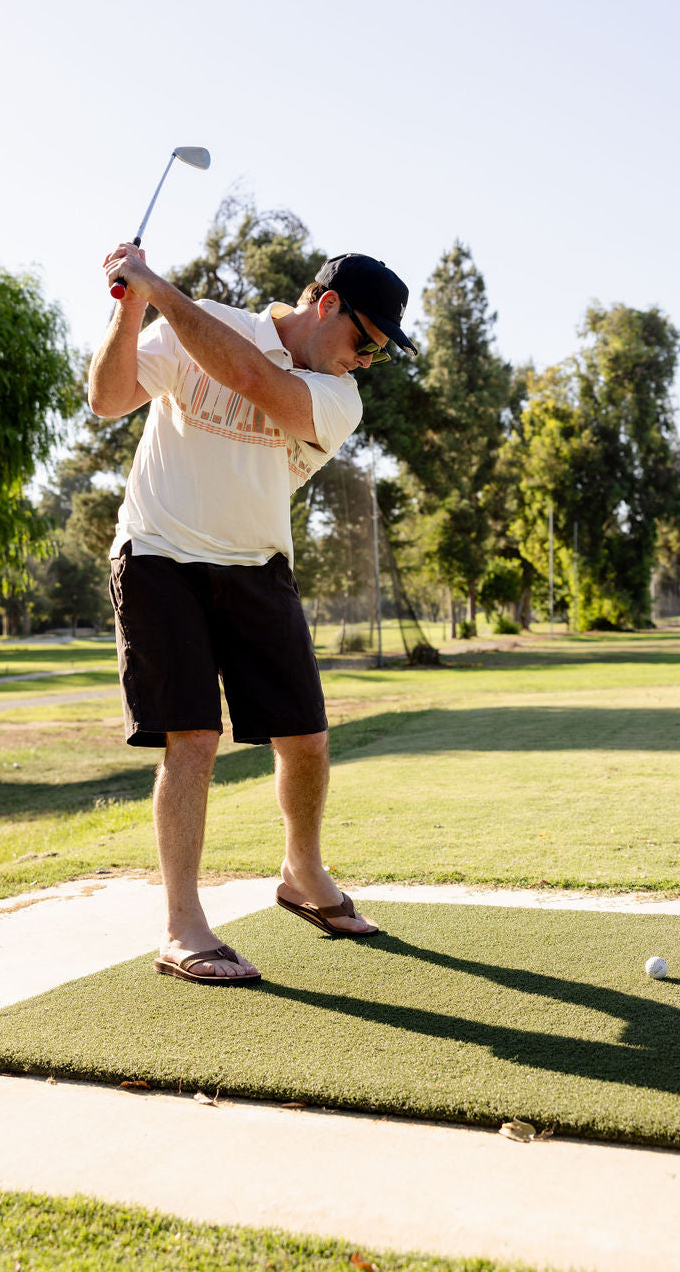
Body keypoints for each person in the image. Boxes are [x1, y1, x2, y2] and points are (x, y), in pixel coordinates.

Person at [88, 242, 417, 985]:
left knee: (305, 736)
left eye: (381, 353)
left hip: (257, 563)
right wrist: (133, 306)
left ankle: (303, 873)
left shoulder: (339, 397)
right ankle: (182, 924)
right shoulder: (197, 320)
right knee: (193, 738)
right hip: (159, 554)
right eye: (366, 340)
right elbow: (107, 400)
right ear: (325, 303)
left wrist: (157, 286)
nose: (367, 360)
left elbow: (247, 375)